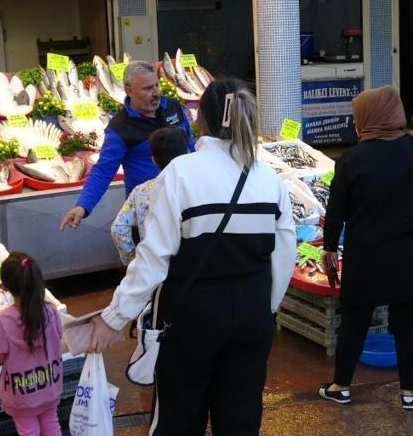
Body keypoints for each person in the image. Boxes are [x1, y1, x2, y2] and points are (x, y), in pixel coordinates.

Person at [86, 78, 296, 435]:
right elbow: (284, 256)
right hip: (252, 312)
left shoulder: (180, 173)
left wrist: (116, 317)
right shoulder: (270, 180)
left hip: (191, 315)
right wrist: (265, 308)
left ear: (202, 119)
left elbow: (154, 258)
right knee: (241, 419)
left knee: (179, 418)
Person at [317, 85, 413, 411]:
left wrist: (329, 246)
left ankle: (341, 387)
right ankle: (410, 393)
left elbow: (336, 210)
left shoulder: (352, 159)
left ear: (369, 117)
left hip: (366, 256)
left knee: (354, 321)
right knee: (408, 323)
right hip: (408, 254)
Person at [60, 61, 195, 232]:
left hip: (186, 202)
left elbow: (190, 144)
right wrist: (83, 206)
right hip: (149, 212)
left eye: (156, 85)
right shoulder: (120, 128)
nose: (156, 93)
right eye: (147, 88)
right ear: (129, 91)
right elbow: (103, 170)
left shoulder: (173, 106)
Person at [0, 252, 63, 436]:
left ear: (4, 287)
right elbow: (58, 335)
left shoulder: (3, 321)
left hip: (21, 394)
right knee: (51, 424)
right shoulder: (51, 312)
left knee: (29, 431)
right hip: (49, 387)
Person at [111, 126, 189, 266]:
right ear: (187, 154)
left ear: (153, 160)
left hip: (152, 266)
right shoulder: (194, 187)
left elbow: (118, 228)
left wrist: (132, 261)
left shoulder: (140, 191)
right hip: (189, 266)